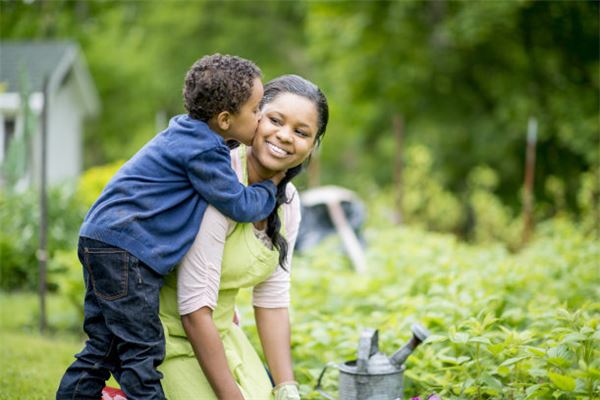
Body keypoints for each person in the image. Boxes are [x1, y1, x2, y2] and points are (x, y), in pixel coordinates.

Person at [57, 54, 284, 400]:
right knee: (142, 351)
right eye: (255, 111)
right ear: (224, 119)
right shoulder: (204, 151)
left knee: (103, 346)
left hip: (103, 240)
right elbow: (238, 204)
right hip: (125, 251)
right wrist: (269, 188)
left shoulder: (189, 133)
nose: (260, 119)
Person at [158, 74, 328, 400]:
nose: (285, 136)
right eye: (275, 120)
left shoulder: (287, 203)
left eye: (301, 132)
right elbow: (193, 310)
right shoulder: (220, 184)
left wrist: (286, 385)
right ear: (253, 117)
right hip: (171, 338)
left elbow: (273, 300)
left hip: (221, 336)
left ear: (312, 146)